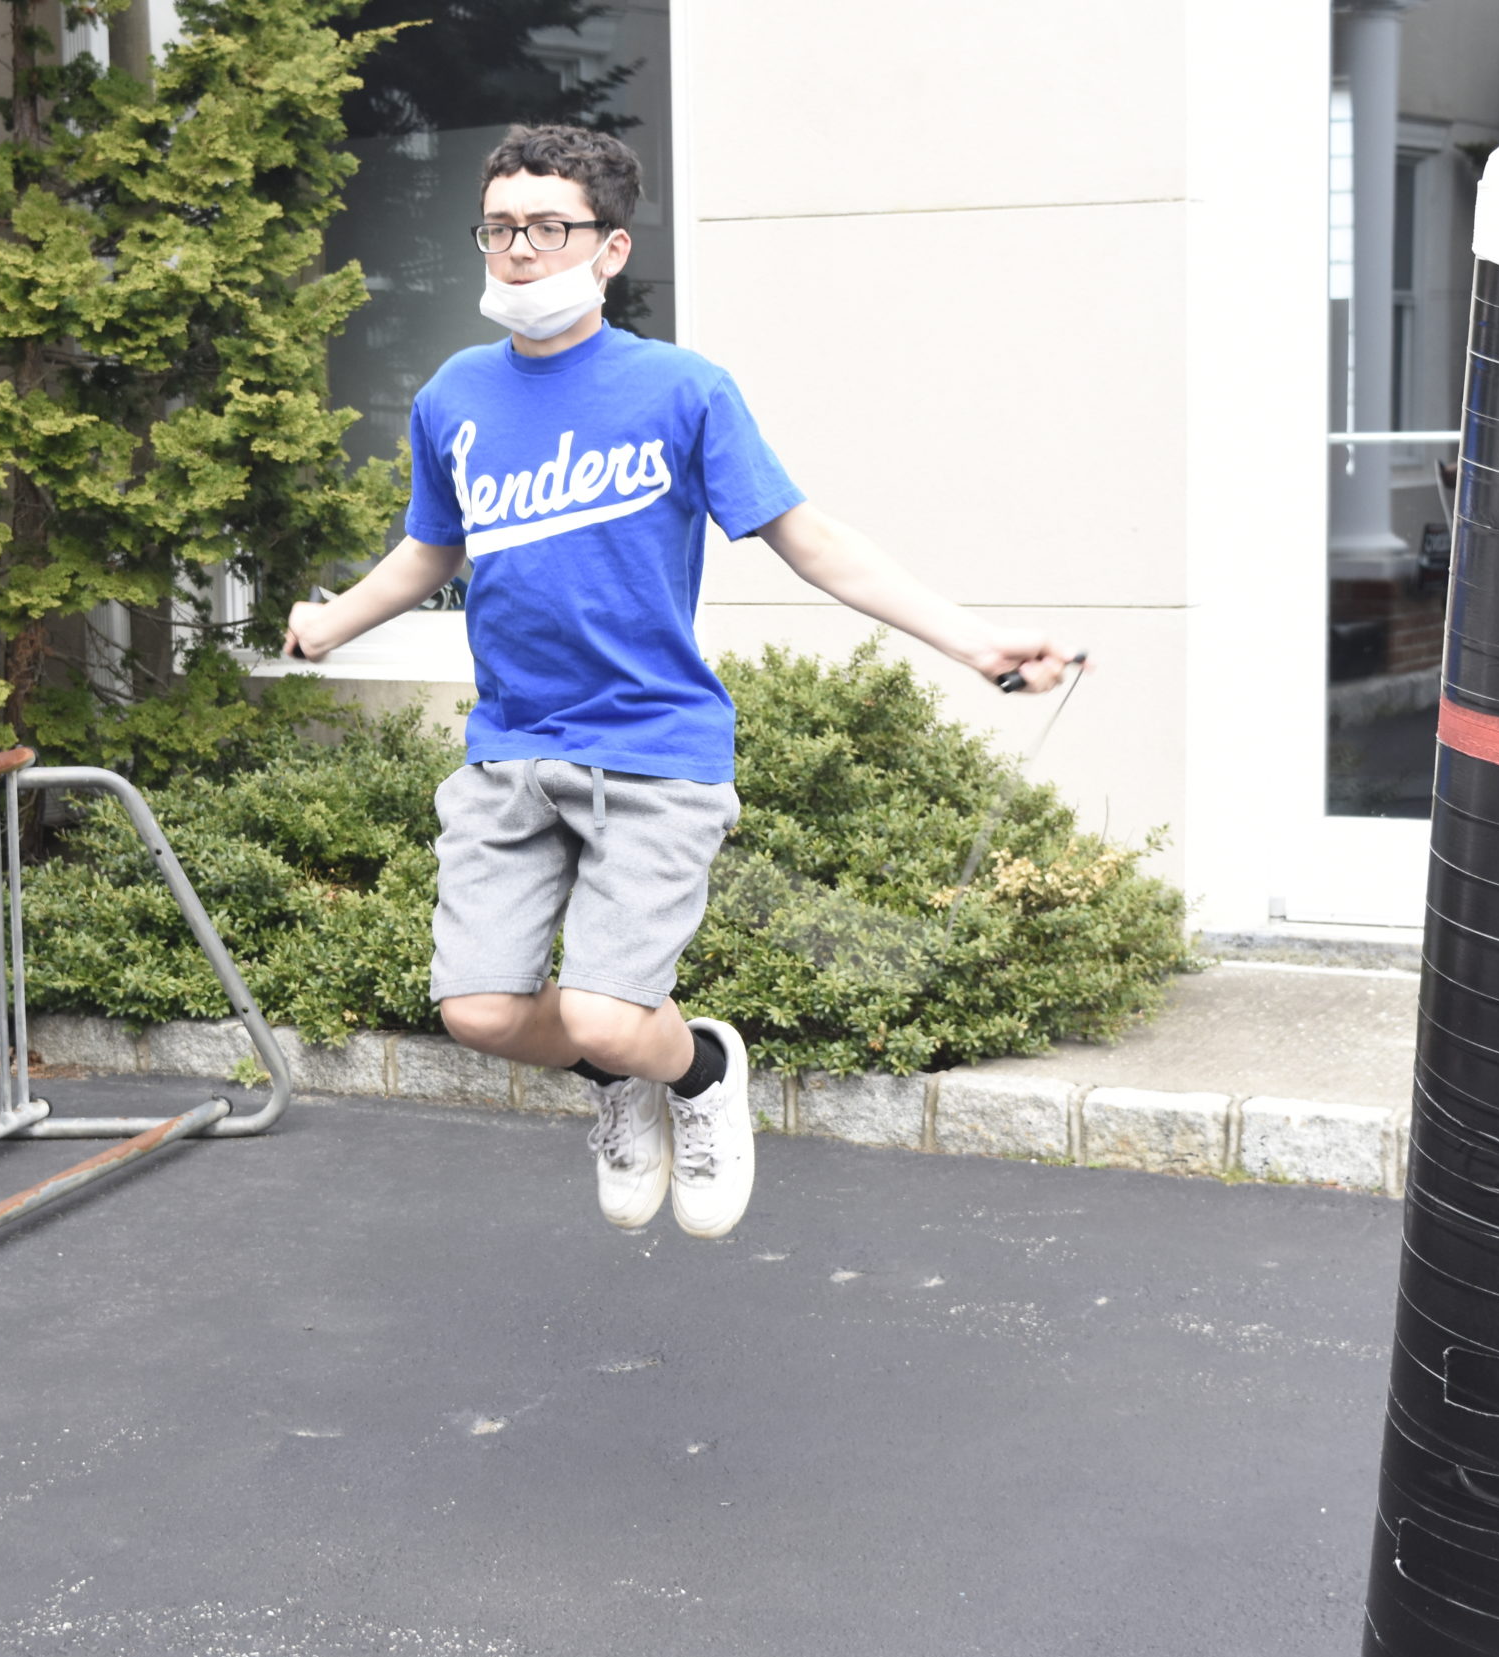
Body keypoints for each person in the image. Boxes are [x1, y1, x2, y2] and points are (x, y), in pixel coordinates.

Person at [284, 124, 1079, 1240]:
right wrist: (330, 622)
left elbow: (811, 540)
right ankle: (620, 1084)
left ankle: (696, 1072)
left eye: (547, 228)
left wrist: (973, 641)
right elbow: (432, 550)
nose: (517, 251)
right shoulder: (454, 396)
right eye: (500, 227)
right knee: (478, 1013)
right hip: (509, 750)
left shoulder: (682, 390)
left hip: (654, 751)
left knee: (612, 1018)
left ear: (607, 249)